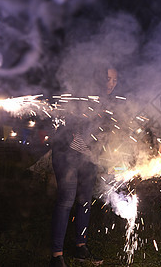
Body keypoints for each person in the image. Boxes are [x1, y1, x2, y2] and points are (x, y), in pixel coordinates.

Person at [49, 68, 111, 267]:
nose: (112, 83)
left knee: (85, 201)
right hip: (66, 153)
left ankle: (80, 247)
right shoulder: (83, 97)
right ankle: (56, 256)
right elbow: (72, 131)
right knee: (66, 200)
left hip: (88, 158)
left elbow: (104, 135)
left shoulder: (108, 103)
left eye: (115, 80)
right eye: (108, 78)